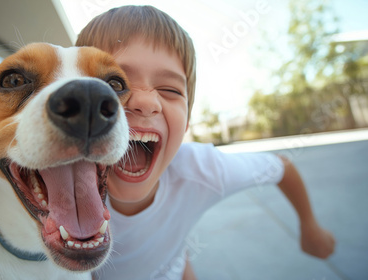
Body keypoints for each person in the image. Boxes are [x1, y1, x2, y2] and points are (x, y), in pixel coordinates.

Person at [75, 5, 335, 280]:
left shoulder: (202, 170)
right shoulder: (54, 191)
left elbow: (281, 167)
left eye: (170, 90)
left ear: (186, 123)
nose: (147, 103)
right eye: (115, 84)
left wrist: (310, 227)